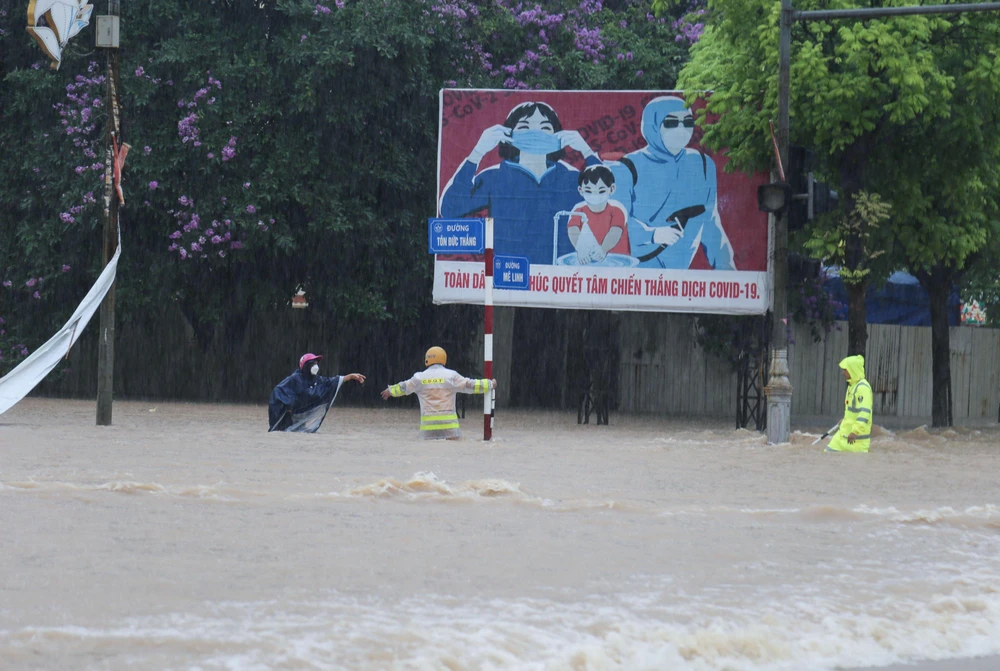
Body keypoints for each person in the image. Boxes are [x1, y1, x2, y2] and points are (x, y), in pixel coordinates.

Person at [439, 101, 602, 265]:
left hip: (560, 277)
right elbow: (450, 208)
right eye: (524, 127)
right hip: (509, 275)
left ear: (558, 135)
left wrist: (586, 151)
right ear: (508, 135)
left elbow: (610, 200)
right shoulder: (493, 177)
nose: (535, 133)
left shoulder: (571, 178)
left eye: (545, 128)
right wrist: (478, 152)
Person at [608, 95, 736, 270]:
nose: (681, 129)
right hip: (638, 273)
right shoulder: (626, 167)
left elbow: (710, 221)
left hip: (678, 278)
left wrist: (726, 268)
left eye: (687, 122)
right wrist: (653, 235)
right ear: (653, 125)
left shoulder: (702, 164)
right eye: (671, 123)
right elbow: (614, 221)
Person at [380, 346, 496, 440]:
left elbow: (404, 387)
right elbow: (470, 385)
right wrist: (490, 384)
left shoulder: (419, 378)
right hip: (450, 428)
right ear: (444, 359)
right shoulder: (451, 376)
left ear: (427, 359)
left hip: (428, 430)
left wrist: (390, 391)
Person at [268, 353, 365, 433]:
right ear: (306, 366)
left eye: (316, 363)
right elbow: (278, 392)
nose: (315, 366)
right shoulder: (294, 379)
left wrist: (350, 376)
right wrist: (288, 406)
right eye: (312, 363)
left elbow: (331, 382)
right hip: (289, 419)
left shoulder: (317, 380)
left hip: (304, 422)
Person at [567, 165, 631, 265]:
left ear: (612, 189)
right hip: (590, 262)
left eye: (601, 191)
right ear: (580, 190)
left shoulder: (616, 211)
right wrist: (580, 248)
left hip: (617, 263)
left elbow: (615, 232)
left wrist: (603, 249)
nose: (595, 195)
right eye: (588, 191)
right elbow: (573, 230)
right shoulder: (578, 211)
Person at [826, 355, 873, 453]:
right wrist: (845, 420)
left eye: (845, 370)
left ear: (852, 369)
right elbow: (852, 412)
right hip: (842, 437)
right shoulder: (852, 386)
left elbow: (864, 413)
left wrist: (855, 432)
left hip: (856, 441)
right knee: (827, 454)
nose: (843, 372)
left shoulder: (863, 388)